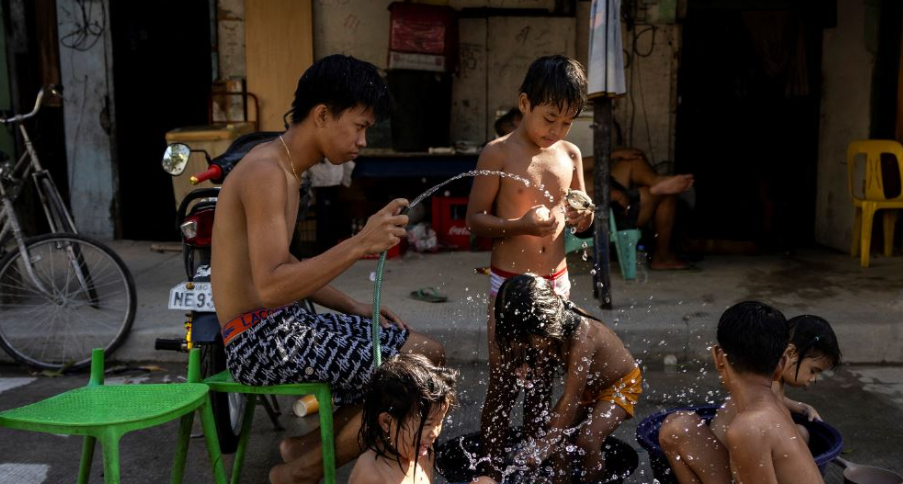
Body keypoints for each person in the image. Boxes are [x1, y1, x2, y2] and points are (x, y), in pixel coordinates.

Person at [210, 54, 445, 484]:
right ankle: (301, 471)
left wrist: (352, 306)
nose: (362, 140)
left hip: (283, 323)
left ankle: (302, 448)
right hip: (256, 340)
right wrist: (360, 243)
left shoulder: (285, 168)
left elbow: (286, 264)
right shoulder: (266, 171)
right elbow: (272, 287)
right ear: (322, 115)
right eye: (358, 126)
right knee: (410, 378)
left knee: (425, 349)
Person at [465, 55, 595, 480]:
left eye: (566, 122)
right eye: (550, 118)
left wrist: (583, 219)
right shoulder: (498, 152)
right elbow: (475, 220)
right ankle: (488, 468)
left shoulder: (570, 154)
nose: (555, 131)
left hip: (556, 284)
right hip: (510, 286)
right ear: (524, 103)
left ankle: (532, 465)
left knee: (543, 383)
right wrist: (519, 225)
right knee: (504, 381)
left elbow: (581, 209)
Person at [659, 312, 841, 483]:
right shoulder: (766, 392)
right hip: (731, 458)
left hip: (736, 460)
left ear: (720, 359)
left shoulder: (761, 393)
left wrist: (800, 407)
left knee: (800, 431)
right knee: (678, 426)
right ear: (788, 355)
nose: (813, 379)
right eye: (813, 371)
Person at [493, 274, 640, 484]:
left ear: (547, 322)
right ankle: (560, 481)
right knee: (554, 428)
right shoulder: (550, 329)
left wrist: (549, 442)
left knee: (587, 441)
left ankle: (594, 480)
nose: (526, 344)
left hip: (619, 384)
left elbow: (572, 397)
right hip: (586, 389)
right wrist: (527, 364)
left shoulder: (583, 337)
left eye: (528, 339)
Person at [349, 353, 458, 484]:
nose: (435, 433)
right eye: (428, 424)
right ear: (387, 422)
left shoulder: (424, 453)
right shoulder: (371, 473)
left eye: (439, 422)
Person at [610, 147, 695, 270]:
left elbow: (577, 161)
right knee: (667, 194)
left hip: (604, 191)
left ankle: (656, 182)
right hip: (600, 209)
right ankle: (662, 258)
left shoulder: (572, 154)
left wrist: (615, 154)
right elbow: (573, 197)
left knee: (633, 159)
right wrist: (612, 195)